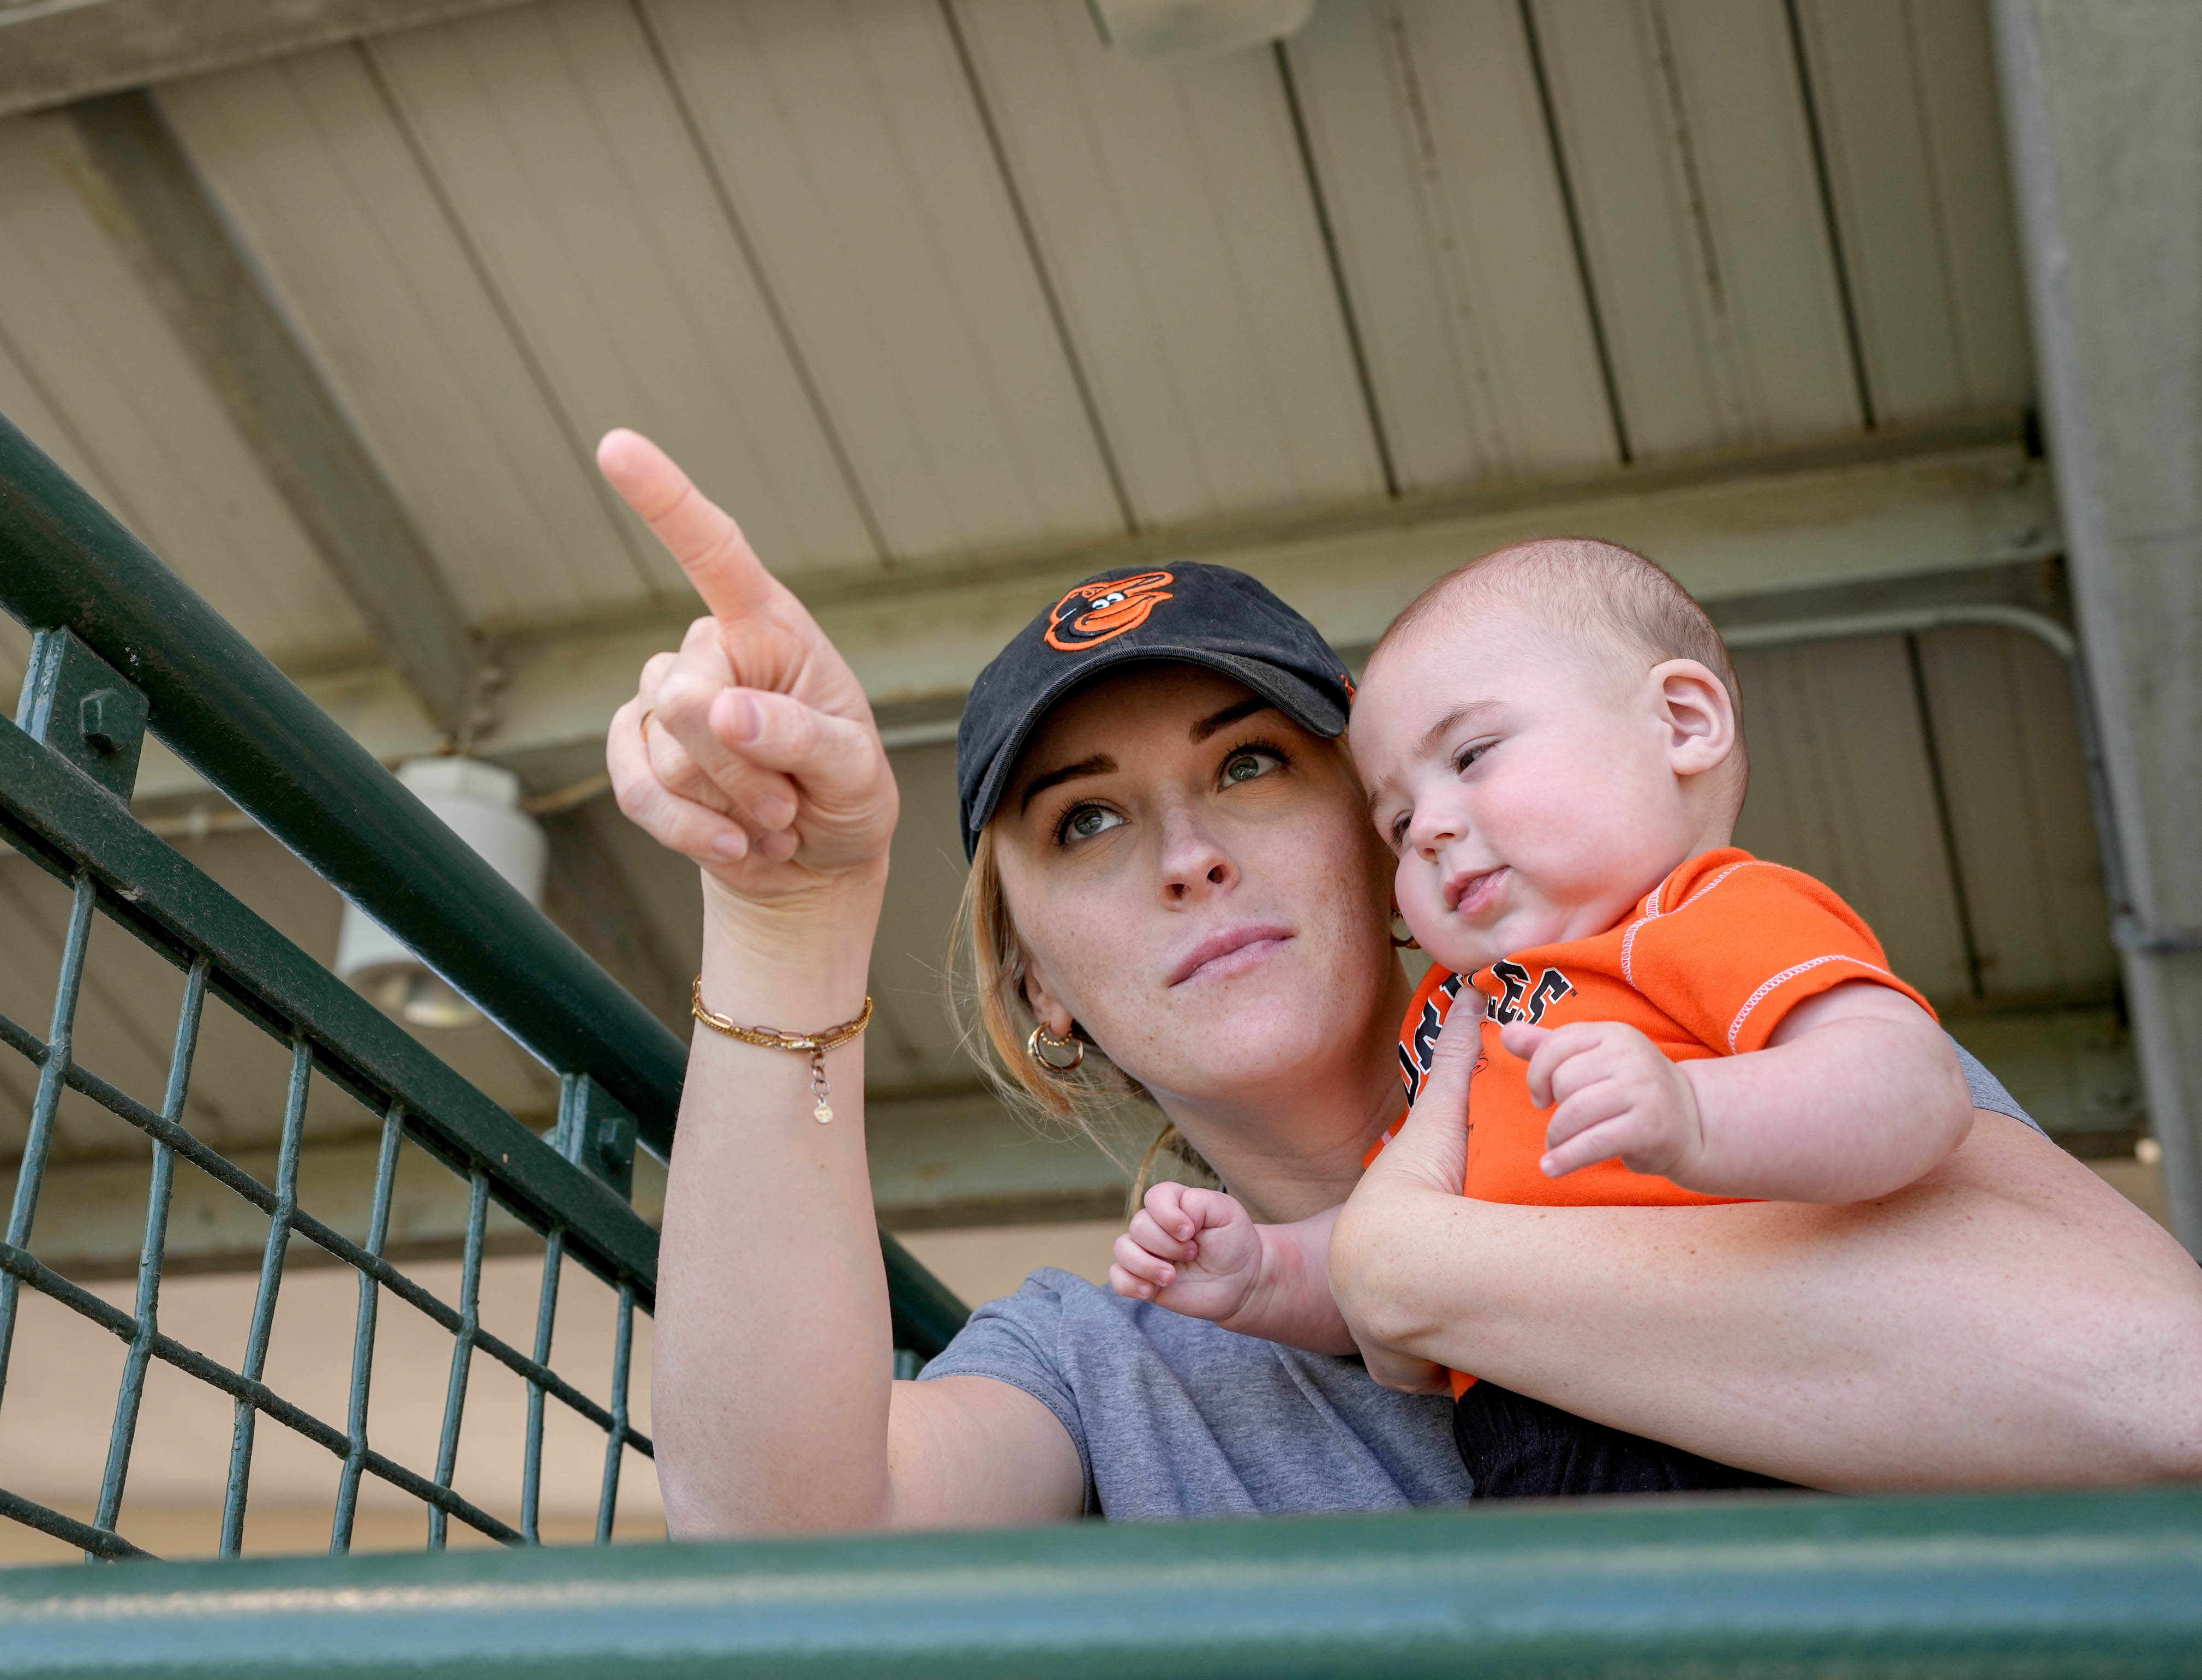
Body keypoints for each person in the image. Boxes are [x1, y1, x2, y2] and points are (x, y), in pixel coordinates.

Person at [594, 426, 2202, 1530]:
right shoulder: (1109, 1366)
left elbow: (2152, 1387)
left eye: (1250, 767)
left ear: (1395, 847)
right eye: (1083, 818)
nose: (1184, 855)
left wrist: (1421, 1271)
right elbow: (779, 1528)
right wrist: (793, 915)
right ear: (1038, 992)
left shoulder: (1692, 1052)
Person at [1108, 537, 1976, 1498]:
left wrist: (1695, 1114)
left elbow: (1913, 1086)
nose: (1430, 826)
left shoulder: (1708, 912)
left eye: (1472, 754)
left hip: (1743, 1408)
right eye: (1397, 824)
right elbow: (1407, 1238)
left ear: (1682, 721)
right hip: (1528, 1446)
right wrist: (1271, 1274)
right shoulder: (1456, 1016)